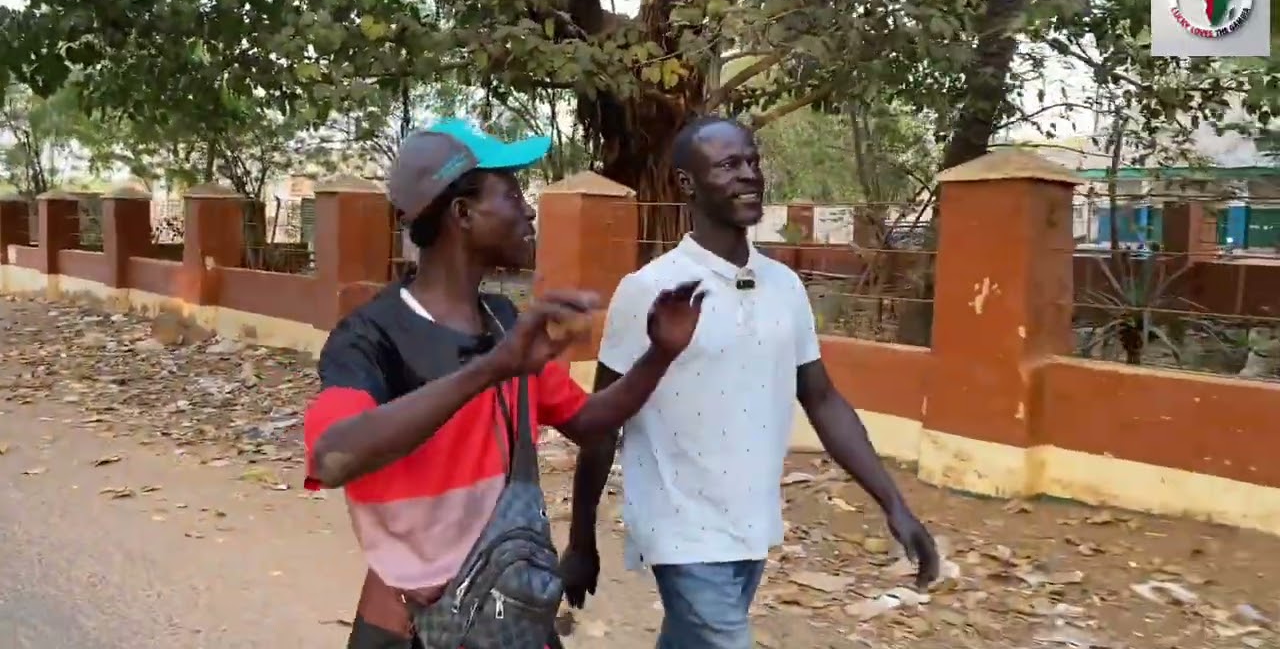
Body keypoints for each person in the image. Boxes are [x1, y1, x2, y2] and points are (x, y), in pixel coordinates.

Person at [302, 118, 707, 649]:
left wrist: (660, 353)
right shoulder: (373, 337)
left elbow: (588, 423)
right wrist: (492, 368)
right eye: (512, 193)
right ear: (462, 214)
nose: (530, 209)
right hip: (413, 627)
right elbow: (334, 459)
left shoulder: (503, 321)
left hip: (509, 612)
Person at [558, 116, 941, 649]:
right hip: (679, 529)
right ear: (688, 184)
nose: (750, 175)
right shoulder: (648, 289)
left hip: (752, 523)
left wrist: (893, 504)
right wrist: (581, 539)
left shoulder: (784, 286)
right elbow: (601, 424)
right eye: (728, 165)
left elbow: (823, 399)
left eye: (753, 162)